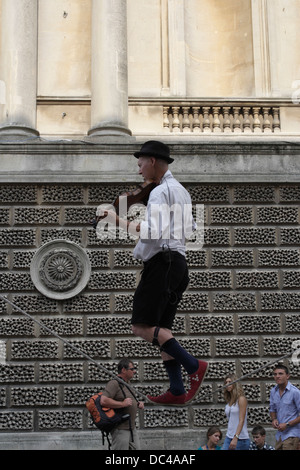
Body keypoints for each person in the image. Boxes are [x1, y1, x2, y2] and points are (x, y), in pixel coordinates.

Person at [101, 141, 208, 406]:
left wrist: (116, 220)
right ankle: (176, 389)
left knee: (141, 326)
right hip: (178, 264)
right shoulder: (181, 191)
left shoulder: (160, 192)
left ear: (151, 161)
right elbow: (189, 227)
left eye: (139, 164)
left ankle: (194, 366)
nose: (138, 172)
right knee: (163, 330)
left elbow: (151, 232)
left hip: (163, 264)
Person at [101, 358, 144, 450]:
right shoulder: (114, 383)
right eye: (132, 369)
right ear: (123, 370)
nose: (134, 371)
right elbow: (103, 400)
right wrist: (122, 404)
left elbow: (128, 401)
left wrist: (137, 404)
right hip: (120, 429)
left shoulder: (127, 384)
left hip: (132, 428)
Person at [269, 364, 300, 450]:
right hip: (279, 435)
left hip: (292, 434)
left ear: (287, 376)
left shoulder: (295, 392)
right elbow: (272, 409)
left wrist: (287, 424)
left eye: (280, 374)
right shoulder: (273, 391)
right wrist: (274, 419)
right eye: (275, 374)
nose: (277, 376)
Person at [222, 373, 250, 450]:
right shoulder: (229, 401)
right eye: (226, 382)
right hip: (229, 436)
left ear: (235, 383)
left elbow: (241, 420)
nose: (227, 384)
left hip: (240, 439)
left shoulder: (241, 399)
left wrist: (235, 437)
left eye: (230, 382)